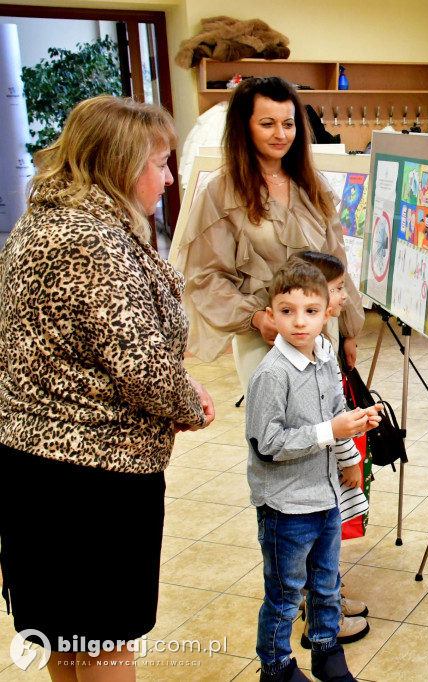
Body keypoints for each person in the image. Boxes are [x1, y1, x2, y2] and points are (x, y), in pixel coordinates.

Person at [0, 95, 215, 681]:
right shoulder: (92, 240)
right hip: (92, 477)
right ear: (122, 165)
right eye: (161, 162)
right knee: (100, 640)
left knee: (65, 636)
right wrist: (189, 402)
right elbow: (139, 364)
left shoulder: (45, 220)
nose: (169, 178)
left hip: (37, 464)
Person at [175, 76, 364, 389]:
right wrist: (255, 318)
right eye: (267, 124)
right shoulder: (221, 193)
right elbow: (206, 277)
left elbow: (336, 263)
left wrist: (349, 330)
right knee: (275, 429)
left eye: (288, 124)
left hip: (320, 331)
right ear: (244, 127)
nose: (281, 134)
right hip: (264, 336)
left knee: (324, 425)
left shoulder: (311, 186)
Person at [246, 260, 382, 682]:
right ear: (271, 315)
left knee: (325, 584)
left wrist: (351, 450)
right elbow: (267, 445)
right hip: (286, 508)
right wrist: (330, 431)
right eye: (287, 311)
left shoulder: (324, 356)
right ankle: (276, 668)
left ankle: (327, 652)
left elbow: (336, 412)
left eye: (310, 311)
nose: (299, 322)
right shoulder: (271, 374)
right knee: (286, 595)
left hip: (325, 499)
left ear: (327, 313)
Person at [293, 251, 372, 647]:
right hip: (313, 476)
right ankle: (324, 624)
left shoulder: (322, 348)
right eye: (339, 289)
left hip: (325, 469)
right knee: (318, 547)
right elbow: (327, 420)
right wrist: (350, 460)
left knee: (327, 543)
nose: (344, 297)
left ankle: (330, 600)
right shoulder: (304, 359)